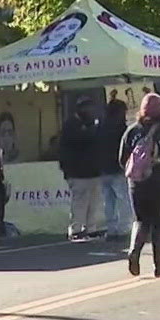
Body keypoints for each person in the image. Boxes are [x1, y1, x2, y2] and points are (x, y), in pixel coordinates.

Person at [120, 92, 160, 277]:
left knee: (140, 220)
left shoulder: (132, 131)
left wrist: (135, 174)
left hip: (137, 183)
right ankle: (159, 266)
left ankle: (134, 250)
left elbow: (122, 159)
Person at [58, 99, 103, 242]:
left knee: (93, 202)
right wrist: (94, 128)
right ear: (80, 109)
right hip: (77, 172)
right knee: (79, 202)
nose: (91, 111)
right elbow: (82, 139)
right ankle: (76, 230)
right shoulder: (71, 125)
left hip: (92, 171)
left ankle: (91, 228)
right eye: (87, 108)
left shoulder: (88, 124)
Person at [97, 97, 131, 239]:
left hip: (103, 168)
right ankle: (123, 228)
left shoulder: (100, 127)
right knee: (123, 199)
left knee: (108, 201)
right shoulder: (122, 129)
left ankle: (111, 229)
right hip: (118, 168)